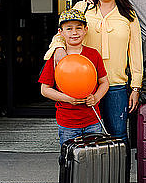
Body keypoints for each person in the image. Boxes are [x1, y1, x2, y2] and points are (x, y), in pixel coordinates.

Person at [45, 0, 142, 183]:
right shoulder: (83, 8)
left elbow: (136, 53)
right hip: (85, 86)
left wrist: (136, 86)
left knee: (119, 140)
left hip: (117, 86)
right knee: (91, 143)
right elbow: (64, 30)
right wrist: (57, 48)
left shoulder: (128, 14)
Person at [38, 9, 109, 146]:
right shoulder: (56, 57)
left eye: (78, 28)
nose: (74, 32)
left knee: (93, 158)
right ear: (61, 32)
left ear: (85, 29)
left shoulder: (93, 54)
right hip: (68, 123)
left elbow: (104, 82)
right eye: (69, 29)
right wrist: (68, 99)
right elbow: (44, 89)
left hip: (92, 120)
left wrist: (96, 97)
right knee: (69, 160)